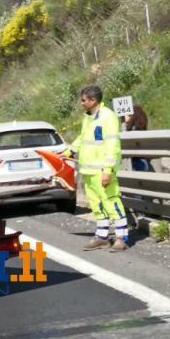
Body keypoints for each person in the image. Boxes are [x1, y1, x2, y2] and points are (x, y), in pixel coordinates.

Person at [65, 84, 129, 252]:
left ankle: (121, 238)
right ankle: (102, 238)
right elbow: (84, 137)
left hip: (102, 170)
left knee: (111, 202)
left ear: (93, 100)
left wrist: (107, 170)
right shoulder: (88, 117)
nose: (81, 103)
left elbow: (113, 145)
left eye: (84, 100)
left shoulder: (109, 117)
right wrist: (71, 149)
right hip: (88, 170)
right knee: (97, 206)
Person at [122, 105, 151, 172]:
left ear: (134, 116)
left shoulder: (133, 131)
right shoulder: (140, 130)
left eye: (128, 115)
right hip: (142, 162)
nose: (125, 117)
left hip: (136, 163)